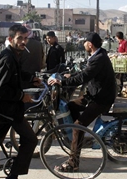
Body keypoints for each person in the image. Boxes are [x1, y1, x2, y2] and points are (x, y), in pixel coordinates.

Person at [48, 32, 116, 172]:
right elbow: (85, 72)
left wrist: (62, 82)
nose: (84, 44)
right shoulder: (97, 55)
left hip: (101, 98)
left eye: (85, 42)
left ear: (90, 44)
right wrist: (70, 75)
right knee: (70, 106)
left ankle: (73, 163)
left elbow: (85, 76)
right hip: (94, 94)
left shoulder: (99, 58)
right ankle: (76, 138)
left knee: (79, 126)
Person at [0, 24, 39, 179]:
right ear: (10, 39)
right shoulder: (7, 58)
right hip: (8, 109)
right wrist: (20, 96)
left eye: (25, 38)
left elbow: (16, 75)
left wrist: (31, 79)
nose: (23, 42)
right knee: (31, 140)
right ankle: (13, 176)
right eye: (20, 38)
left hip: (7, 107)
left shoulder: (14, 54)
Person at [115, 31, 127, 96]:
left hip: (125, 63)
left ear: (118, 37)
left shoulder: (125, 42)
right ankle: (120, 91)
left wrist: (120, 54)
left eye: (116, 37)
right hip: (120, 63)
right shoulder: (119, 43)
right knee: (120, 77)